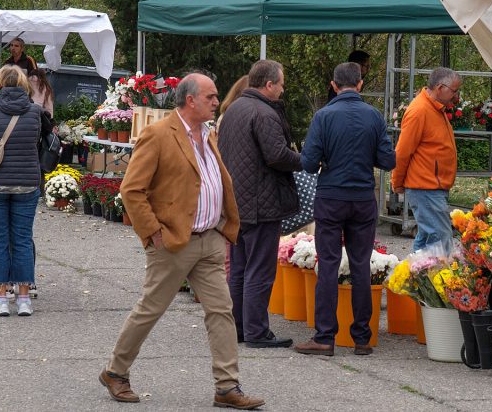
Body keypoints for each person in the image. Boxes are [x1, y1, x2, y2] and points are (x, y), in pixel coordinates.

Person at [100, 74, 264, 410]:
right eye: (211, 97)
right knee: (151, 309)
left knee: (221, 311)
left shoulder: (208, 134)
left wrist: (221, 225)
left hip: (211, 239)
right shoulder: (158, 134)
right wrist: (153, 233)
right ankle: (116, 372)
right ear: (190, 100)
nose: (217, 102)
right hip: (173, 242)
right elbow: (131, 189)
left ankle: (227, 386)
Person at [294, 62, 396, 356]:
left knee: (328, 263)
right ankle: (362, 337)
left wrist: (329, 159)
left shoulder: (324, 116)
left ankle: (325, 336)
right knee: (361, 264)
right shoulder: (374, 116)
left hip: (331, 196)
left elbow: (309, 163)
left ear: (334, 85)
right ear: (360, 84)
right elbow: (388, 161)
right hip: (363, 197)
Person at [217, 60, 302, 348]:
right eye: (281, 83)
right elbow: (276, 155)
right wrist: (304, 161)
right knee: (260, 269)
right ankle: (257, 331)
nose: (282, 89)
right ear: (268, 85)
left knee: (239, 268)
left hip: (236, 201)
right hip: (260, 202)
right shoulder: (264, 113)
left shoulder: (234, 110)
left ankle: (239, 328)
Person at [0, 65, 45, 317]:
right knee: (23, 240)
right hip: (27, 183)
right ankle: (24, 299)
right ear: (24, 84)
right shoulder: (35, 111)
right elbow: (37, 142)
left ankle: (1, 299)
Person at [391, 67, 461, 251]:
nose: (457, 96)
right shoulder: (420, 110)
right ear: (440, 88)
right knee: (440, 239)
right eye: (454, 91)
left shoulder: (435, 108)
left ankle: (413, 277)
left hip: (431, 187)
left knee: (427, 239)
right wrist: (397, 182)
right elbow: (402, 152)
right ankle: (433, 278)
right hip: (425, 187)